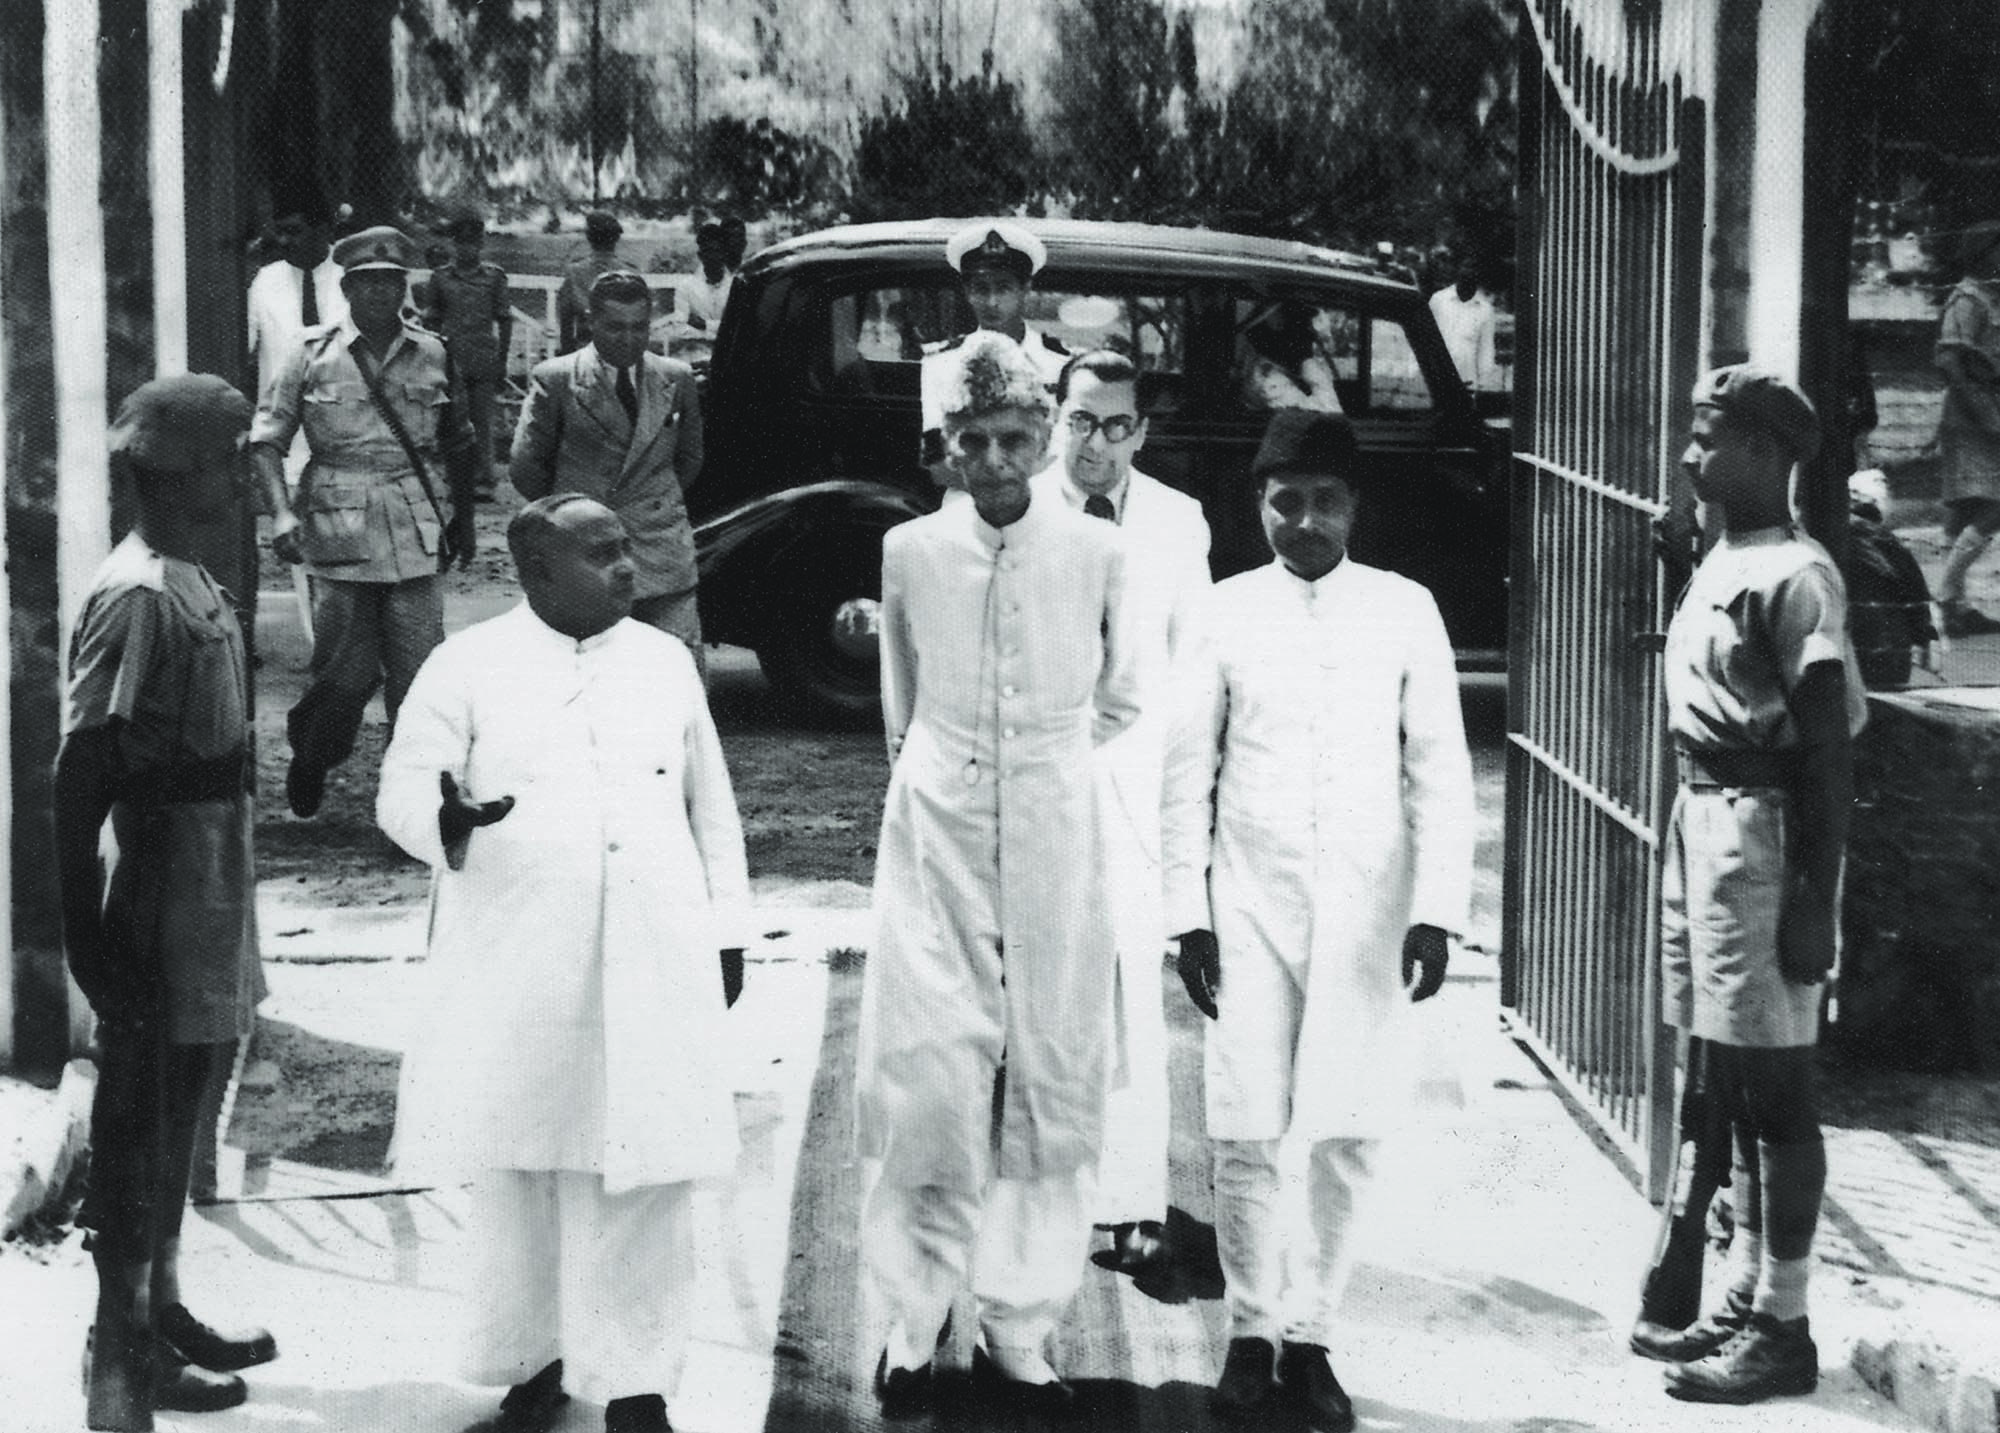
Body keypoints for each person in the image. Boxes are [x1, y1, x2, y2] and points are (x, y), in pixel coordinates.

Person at [378, 493, 749, 1433]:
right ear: (539, 573)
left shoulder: (667, 662)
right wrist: (444, 820)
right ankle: (535, 1359)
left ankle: (636, 1387)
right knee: (527, 1169)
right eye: (602, 554)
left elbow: (712, 805)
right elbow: (401, 788)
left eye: (627, 547)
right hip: (522, 964)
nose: (630, 566)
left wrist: (727, 929)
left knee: (648, 1170)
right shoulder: (467, 664)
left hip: (655, 951)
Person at [1161, 409, 1476, 1433]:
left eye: (1322, 500)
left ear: (1353, 507)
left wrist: (1433, 910)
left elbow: (1438, 767)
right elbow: (1184, 773)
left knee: (1344, 1128)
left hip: (1366, 907)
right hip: (1246, 898)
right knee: (1246, 1123)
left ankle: (1313, 1335)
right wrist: (1186, 915)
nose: (1303, 519)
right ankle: (1250, 1328)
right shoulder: (1218, 611)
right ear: (1256, 503)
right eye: (1283, 500)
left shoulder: (1402, 608)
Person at [859, 331, 1140, 1419]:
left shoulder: (1095, 551)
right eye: (970, 438)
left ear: (1043, 436)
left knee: (1046, 1076)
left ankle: (1021, 1325)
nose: (993, 456)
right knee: (932, 1080)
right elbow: (899, 691)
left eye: (1014, 434)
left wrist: (1039, 762)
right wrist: (950, 777)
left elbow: (1120, 693)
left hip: (1057, 827)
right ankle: (914, 1320)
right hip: (935, 825)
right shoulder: (908, 550)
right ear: (944, 446)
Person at [1637, 365, 1865, 1406]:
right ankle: (1741, 1292)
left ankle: (1784, 1319)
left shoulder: (1796, 576)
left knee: (1776, 1091)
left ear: (1768, 457)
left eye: (1708, 439)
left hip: (1766, 838)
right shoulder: (1725, 551)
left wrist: (1813, 899)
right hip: (1707, 826)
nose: (1689, 456)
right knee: (1728, 1075)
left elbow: (1823, 754)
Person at [56, 375, 280, 1430]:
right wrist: (86, 932)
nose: (244, 474)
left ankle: (163, 1306)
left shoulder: (190, 574)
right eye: (231, 455)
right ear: (176, 471)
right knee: (140, 1128)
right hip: (163, 882)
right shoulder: (141, 592)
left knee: (184, 1104)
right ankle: (121, 1354)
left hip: (213, 872)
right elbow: (80, 772)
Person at [1029, 349, 1210, 1275]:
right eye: (1078, 421)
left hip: (1137, 793)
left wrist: (1184, 838)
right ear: (1055, 415)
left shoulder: (1180, 523)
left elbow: (1194, 676)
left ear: (1141, 430)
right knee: (1042, 1002)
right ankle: (1044, 1202)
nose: (1092, 444)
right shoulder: (1014, 505)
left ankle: (1136, 1204)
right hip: (1036, 792)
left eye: (1114, 426)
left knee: (1134, 1000)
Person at [253, 224, 479, 820]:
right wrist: (280, 513)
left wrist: (467, 522)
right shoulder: (310, 353)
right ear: (347, 287)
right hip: (339, 527)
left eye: (391, 282)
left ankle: (414, 800)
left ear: (403, 286)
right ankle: (313, 753)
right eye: (368, 283)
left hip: (416, 522)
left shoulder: (434, 352)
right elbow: (267, 440)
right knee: (344, 675)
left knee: (420, 673)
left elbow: (459, 443)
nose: (380, 294)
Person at [510, 270, 707, 674]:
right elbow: (527, 467)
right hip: (586, 553)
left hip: (662, 547)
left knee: (677, 671)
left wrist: (653, 501)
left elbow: (689, 458)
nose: (629, 339)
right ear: (590, 322)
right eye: (616, 327)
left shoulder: (676, 378)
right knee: (590, 674)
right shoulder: (558, 380)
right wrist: (575, 514)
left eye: (639, 328)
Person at [919, 221, 1069, 480]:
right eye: (981, 289)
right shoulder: (940, 364)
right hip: (966, 498)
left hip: (1043, 500)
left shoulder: (1060, 363)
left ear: (1025, 289)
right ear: (967, 292)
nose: (992, 302)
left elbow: (1064, 454)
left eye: (1003, 288)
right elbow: (938, 465)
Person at [1932, 219, 2000, 635]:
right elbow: (1951, 360)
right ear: (1984, 252)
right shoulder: (1968, 299)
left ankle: (1952, 604)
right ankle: (1945, 598)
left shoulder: (1990, 297)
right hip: (1971, 416)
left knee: (1967, 509)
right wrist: (1985, 413)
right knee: (1993, 505)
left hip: (1985, 408)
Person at [424, 209, 512, 500]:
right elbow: (431, 320)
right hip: (450, 360)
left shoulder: (494, 278)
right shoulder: (440, 278)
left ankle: (486, 480)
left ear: (480, 244)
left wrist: (502, 361)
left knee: (483, 423)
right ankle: (456, 481)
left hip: (483, 359)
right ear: (453, 244)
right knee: (452, 424)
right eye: (460, 243)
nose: (466, 249)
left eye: (472, 243)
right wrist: (431, 357)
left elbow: (504, 319)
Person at [1838, 467, 1936, 688]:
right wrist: (1925, 637)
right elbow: (1915, 590)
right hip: (1887, 654)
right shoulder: (1882, 539)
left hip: (1841, 653)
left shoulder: (1823, 534)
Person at [1427, 250, 1500, 394]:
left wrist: (1483, 385)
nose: (1469, 272)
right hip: (1436, 380)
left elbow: (1486, 350)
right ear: (1457, 269)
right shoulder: (1438, 300)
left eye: (1474, 268)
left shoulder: (1486, 310)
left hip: (1467, 384)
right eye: (1466, 266)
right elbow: (1426, 338)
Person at [558, 211, 627, 356]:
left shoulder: (575, 273)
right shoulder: (629, 272)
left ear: (589, 238)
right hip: (622, 352)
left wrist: (567, 355)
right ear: (616, 238)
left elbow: (566, 320)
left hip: (585, 352)